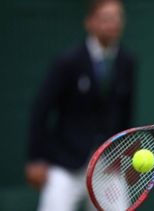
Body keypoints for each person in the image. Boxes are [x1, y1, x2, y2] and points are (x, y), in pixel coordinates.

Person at [25, 0, 136, 210]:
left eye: (117, 17)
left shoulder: (127, 62)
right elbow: (41, 109)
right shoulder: (68, 61)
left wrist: (124, 155)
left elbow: (125, 113)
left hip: (107, 164)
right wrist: (36, 158)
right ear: (90, 22)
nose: (113, 23)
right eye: (106, 18)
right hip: (66, 162)